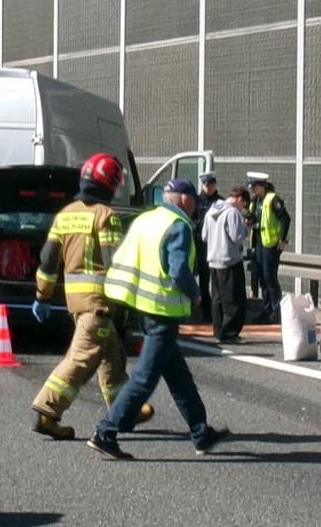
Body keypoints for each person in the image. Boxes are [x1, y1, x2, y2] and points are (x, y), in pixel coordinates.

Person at [88, 179, 231, 459]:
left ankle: (200, 432)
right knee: (145, 377)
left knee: (178, 375)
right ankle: (106, 431)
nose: (194, 206)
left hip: (143, 305)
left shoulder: (147, 219)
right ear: (185, 200)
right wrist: (195, 294)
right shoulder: (178, 226)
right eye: (192, 200)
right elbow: (177, 268)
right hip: (162, 310)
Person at [27, 153, 152, 439]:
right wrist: (131, 301)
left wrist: (42, 296)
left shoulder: (66, 214)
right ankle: (47, 411)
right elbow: (115, 262)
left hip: (76, 302)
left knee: (111, 355)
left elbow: (48, 262)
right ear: (110, 184)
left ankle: (125, 411)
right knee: (81, 358)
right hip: (99, 301)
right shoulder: (105, 216)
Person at [202, 186, 251, 342]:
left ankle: (218, 330)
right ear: (240, 199)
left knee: (217, 298)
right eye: (243, 205)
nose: (242, 208)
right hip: (229, 260)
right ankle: (230, 333)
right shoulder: (232, 212)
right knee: (234, 299)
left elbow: (204, 236)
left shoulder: (211, 211)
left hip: (213, 260)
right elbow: (237, 236)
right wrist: (247, 227)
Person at [247, 173, 293, 322]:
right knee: (262, 277)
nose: (252, 190)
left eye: (254, 186)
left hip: (271, 245)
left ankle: (277, 311)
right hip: (259, 243)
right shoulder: (256, 200)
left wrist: (283, 239)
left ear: (261, 186)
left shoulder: (272, 199)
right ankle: (267, 311)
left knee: (270, 277)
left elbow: (286, 218)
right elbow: (254, 218)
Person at [191, 173, 222, 322]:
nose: (208, 187)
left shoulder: (220, 202)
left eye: (210, 184)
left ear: (215, 185)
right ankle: (206, 311)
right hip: (200, 244)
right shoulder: (196, 201)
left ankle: (217, 311)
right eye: (205, 185)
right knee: (203, 280)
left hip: (215, 244)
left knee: (217, 280)